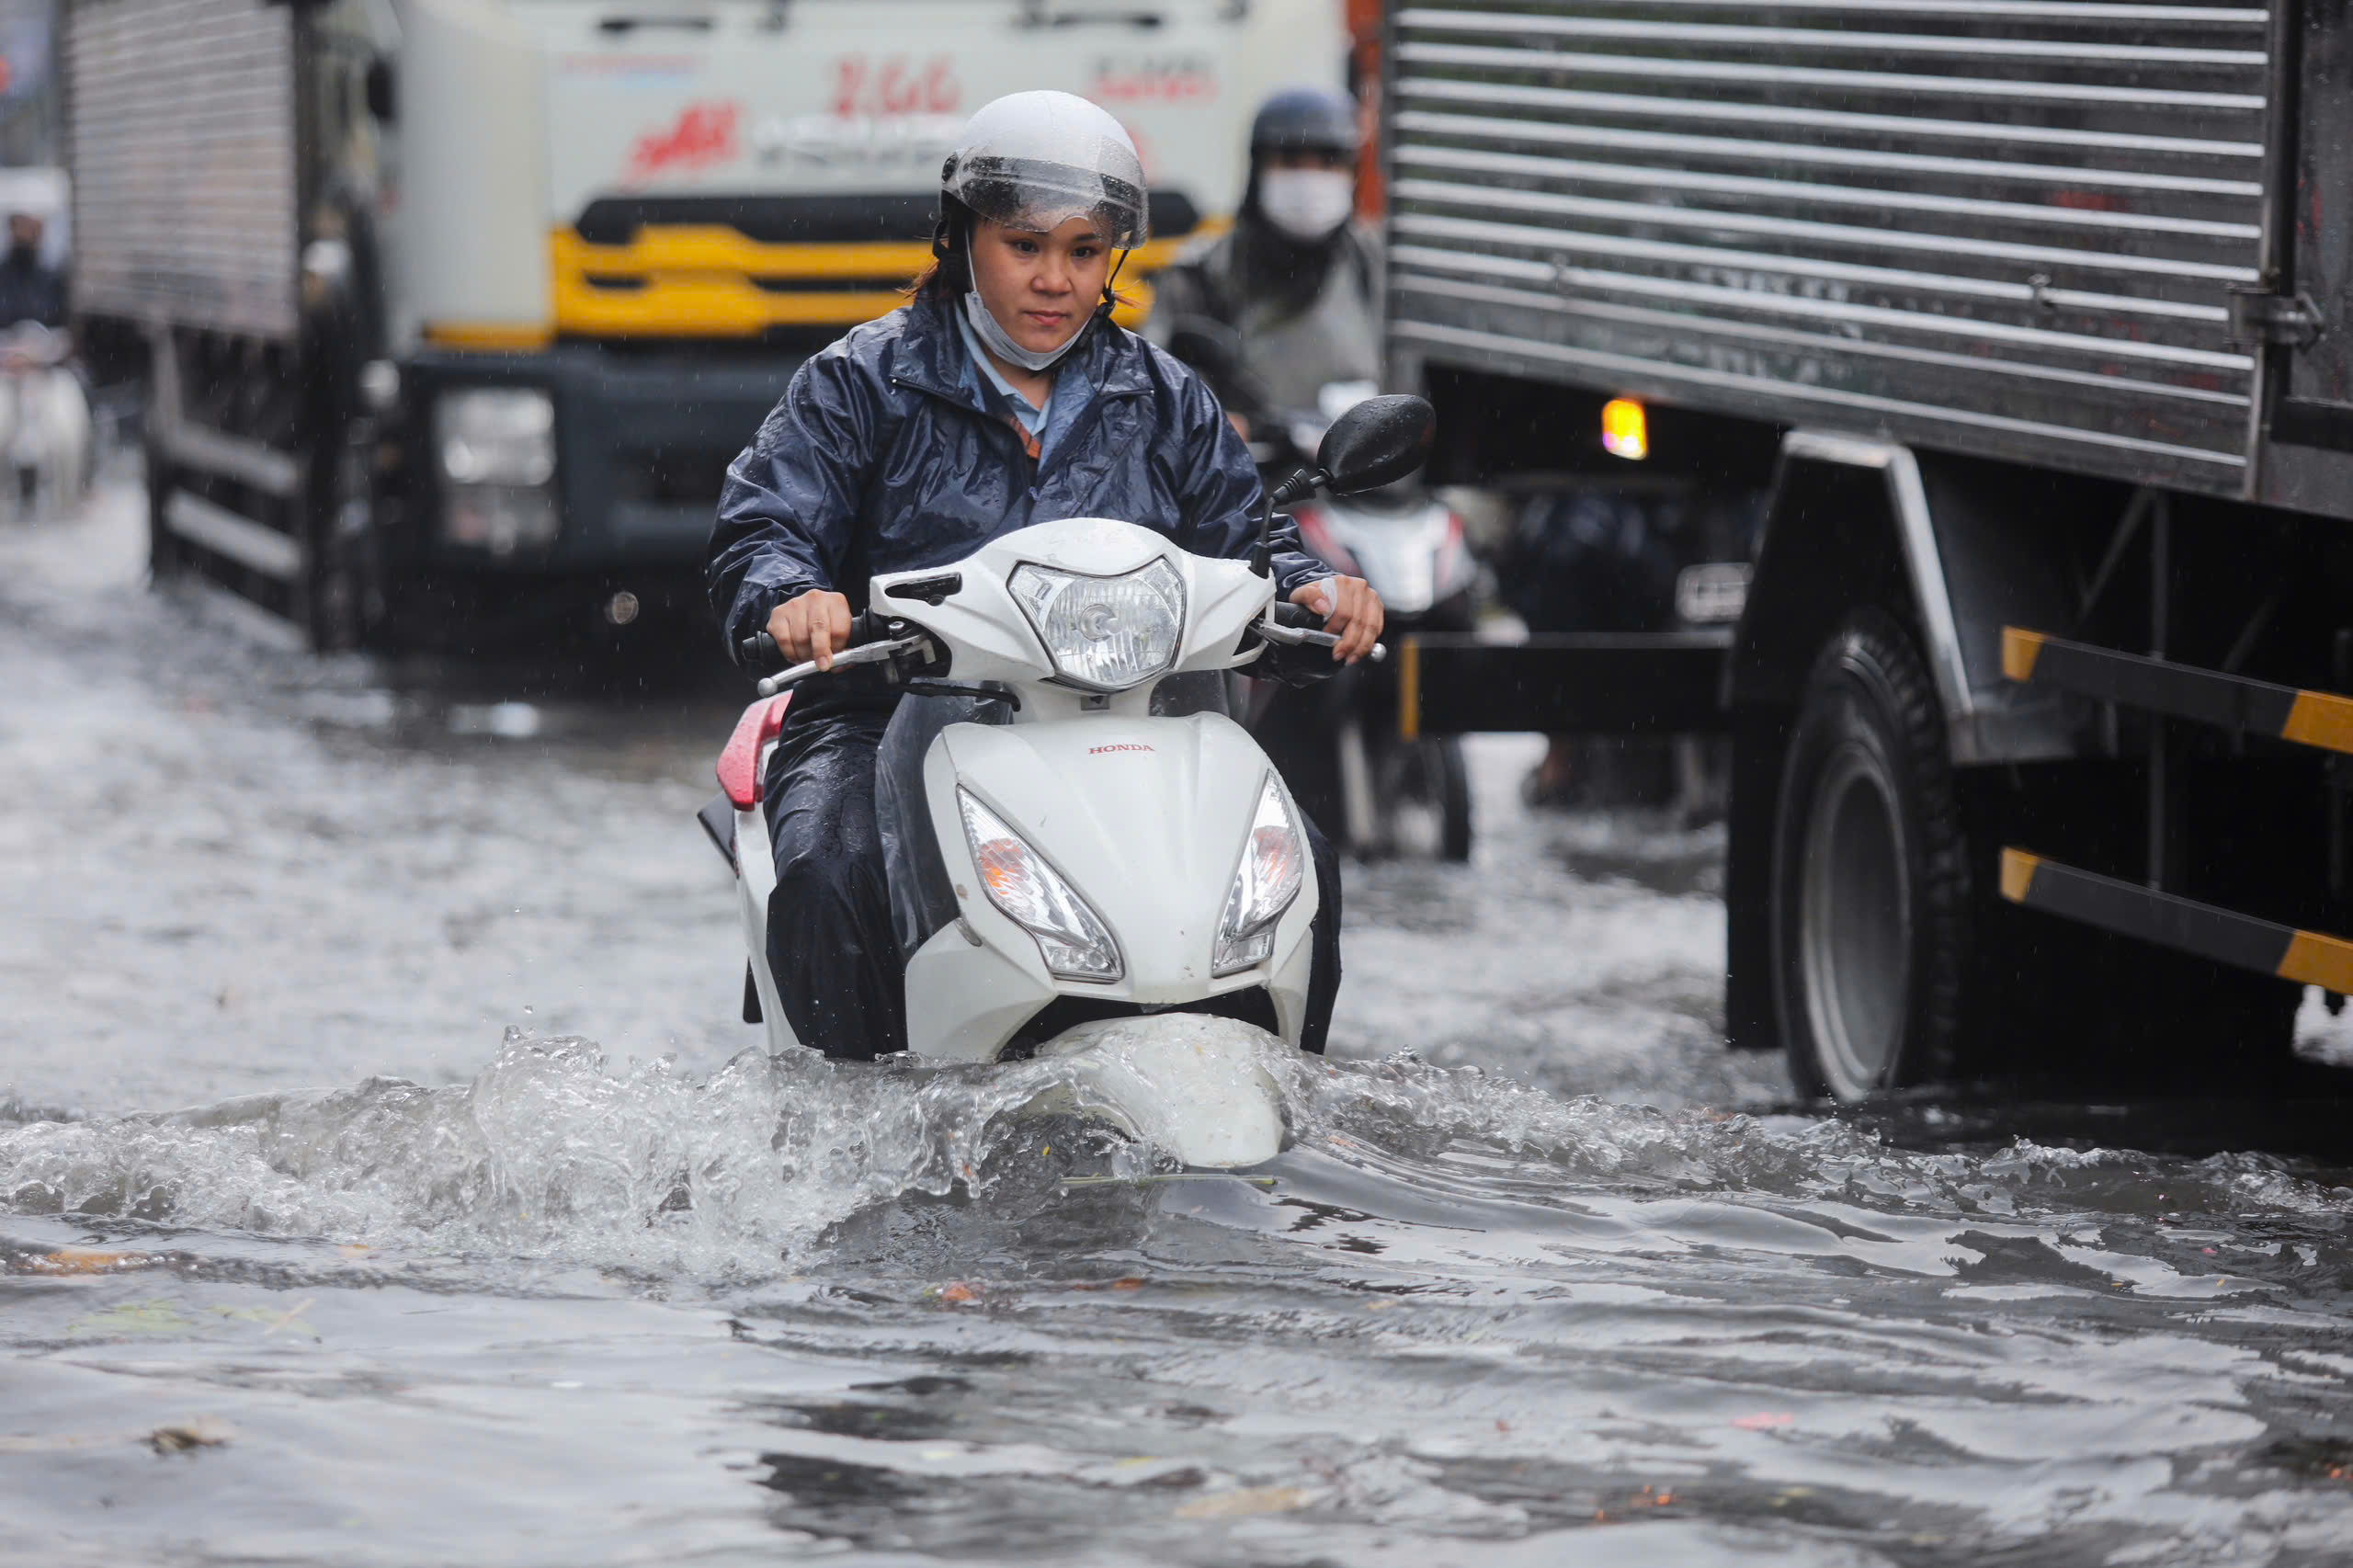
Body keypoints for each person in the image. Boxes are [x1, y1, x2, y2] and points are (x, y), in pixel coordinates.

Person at [707, 90, 1383, 1062]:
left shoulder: (1161, 397)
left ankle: (1290, 1085)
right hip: (885, 712)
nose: (1054, 279)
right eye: (1025, 246)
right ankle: (845, 1126)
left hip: (1132, 715)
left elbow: (1252, 540)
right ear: (962, 239)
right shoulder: (858, 381)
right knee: (828, 872)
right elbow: (766, 523)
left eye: (1083, 249)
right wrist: (791, 596)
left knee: (1299, 859)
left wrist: (1317, 590)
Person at [1148, 85, 1379, 441]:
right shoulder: (1203, 271)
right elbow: (1162, 392)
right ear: (1259, 169)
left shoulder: (1376, 261)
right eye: (1291, 161)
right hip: (1252, 482)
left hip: (1369, 480)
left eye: (1327, 162)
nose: (1310, 180)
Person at [0, 212, 64, 329]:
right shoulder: (4, 277)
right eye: (22, 226)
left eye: (33, 229)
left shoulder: (52, 278)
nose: (26, 233)